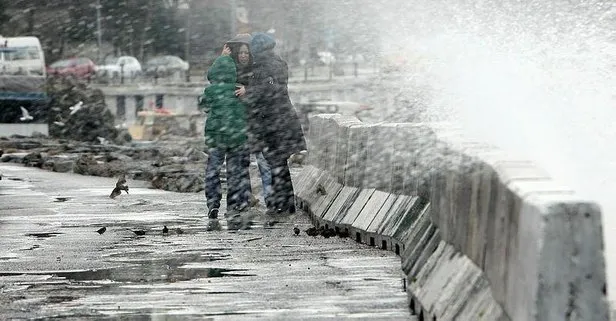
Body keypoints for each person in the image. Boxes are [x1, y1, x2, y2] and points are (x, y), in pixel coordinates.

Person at [242, 32, 307, 215]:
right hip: (283, 120)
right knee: (280, 163)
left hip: (272, 123)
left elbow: (266, 91)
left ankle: (282, 204)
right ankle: (285, 203)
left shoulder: (263, 66)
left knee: (276, 164)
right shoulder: (278, 62)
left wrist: (248, 91)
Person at [199, 49, 251, 220]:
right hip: (236, 137)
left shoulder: (210, 91)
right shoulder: (238, 89)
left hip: (216, 137)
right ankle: (234, 204)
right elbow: (248, 107)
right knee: (234, 172)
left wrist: (221, 57)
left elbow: (205, 107)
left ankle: (213, 204)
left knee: (212, 171)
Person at [225, 34, 273, 207]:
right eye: (241, 52)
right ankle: (245, 198)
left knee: (263, 163)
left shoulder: (258, 71)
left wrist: (249, 91)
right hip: (240, 125)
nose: (243, 55)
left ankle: (270, 199)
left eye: (247, 52)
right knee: (242, 163)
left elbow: (265, 91)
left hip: (257, 124)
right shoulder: (231, 71)